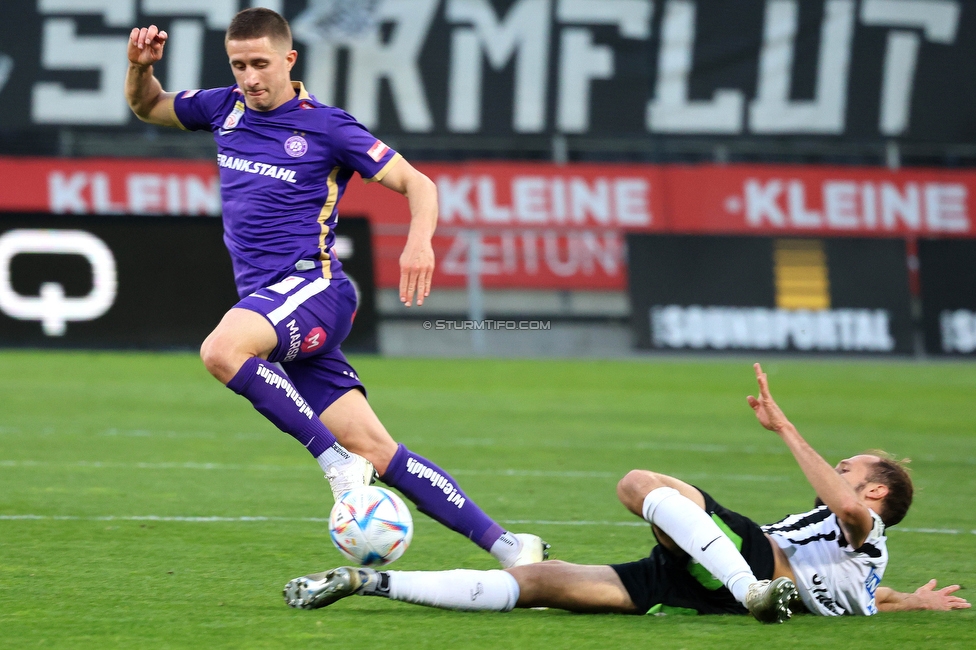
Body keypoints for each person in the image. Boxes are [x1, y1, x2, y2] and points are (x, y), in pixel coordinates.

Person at [124, 8, 546, 568]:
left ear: (289, 61)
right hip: (277, 307)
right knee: (379, 448)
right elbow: (148, 105)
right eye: (239, 64)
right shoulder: (223, 107)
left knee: (222, 351)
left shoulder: (326, 126)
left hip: (314, 288)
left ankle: (337, 465)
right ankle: (512, 548)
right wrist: (138, 68)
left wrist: (419, 243)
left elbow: (417, 184)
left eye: (261, 64)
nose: (250, 77)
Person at [283, 364, 971, 622]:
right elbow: (853, 589)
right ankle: (365, 583)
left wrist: (785, 426)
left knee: (638, 484)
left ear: (876, 490)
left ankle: (751, 591)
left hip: (754, 568)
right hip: (716, 583)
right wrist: (909, 599)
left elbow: (848, 514)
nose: (840, 473)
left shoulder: (864, 527)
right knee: (541, 581)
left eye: (851, 467)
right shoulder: (861, 568)